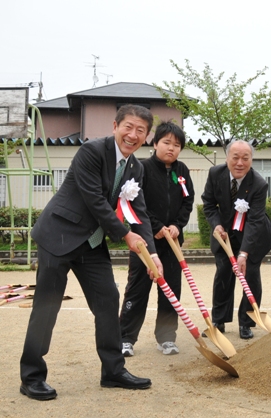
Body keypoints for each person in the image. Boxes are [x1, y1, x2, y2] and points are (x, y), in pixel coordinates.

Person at [20, 105, 163, 400]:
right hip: (59, 235)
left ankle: (113, 371)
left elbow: (140, 212)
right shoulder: (91, 151)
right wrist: (125, 235)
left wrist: (152, 252)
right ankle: (31, 377)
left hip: (92, 241)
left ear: (147, 137)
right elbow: (95, 200)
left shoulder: (136, 167)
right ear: (115, 125)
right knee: (47, 306)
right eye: (128, 127)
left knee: (108, 300)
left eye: (141, 131)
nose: (133, 135)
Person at [119, 121, 194, 357]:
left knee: (171, 289)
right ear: (155, 143)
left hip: (172, 243)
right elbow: (137, 206)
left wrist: (177, 226)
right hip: (144, 241)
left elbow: (187, 202)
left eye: (177, 145)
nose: (171, 148)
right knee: (137, 289)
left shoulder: (182, 171)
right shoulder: (141, 168)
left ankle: (167, 338)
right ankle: (125, 338)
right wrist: (157, 226)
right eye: (166, 143)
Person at [201, 140, 271, 339]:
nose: (240, 163)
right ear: (227, 158)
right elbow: (209, 204)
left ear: (251, 160)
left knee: (250, 275)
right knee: (223, 276)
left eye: (246, 158)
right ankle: (218, 321)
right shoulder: (215, 174)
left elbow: (255, 221)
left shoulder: (259, 184)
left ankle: (247, 323)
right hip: (225, 235)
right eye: (235, 157)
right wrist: (216, 224)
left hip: (252, 236)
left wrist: (244, 253)